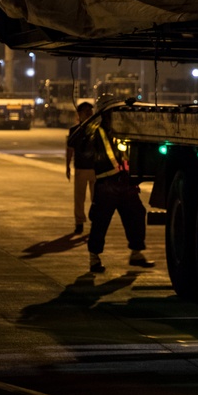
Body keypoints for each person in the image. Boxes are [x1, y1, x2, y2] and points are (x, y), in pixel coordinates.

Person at [68, 94, 155, 273]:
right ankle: (94, 258)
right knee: (100, 223)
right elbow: (74, 141)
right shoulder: (94, 130)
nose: (117, 115)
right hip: (106, 185)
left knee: (137, 214)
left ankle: (136, 253)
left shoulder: (122, 129)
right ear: (105, 113)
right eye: (114, 112)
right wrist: (88, 121)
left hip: (126, 184)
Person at [66, 101, 96, 234]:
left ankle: (95, 221)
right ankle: (79, 222)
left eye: (90, 111)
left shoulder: (97, 129)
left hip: (95, 169)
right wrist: (67, 166)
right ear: (79, 114)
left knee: (97, 199)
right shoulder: (75, 130)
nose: (89, 114)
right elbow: (70, 149)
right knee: (79, 198)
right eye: (86, 112)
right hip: (81, 168)